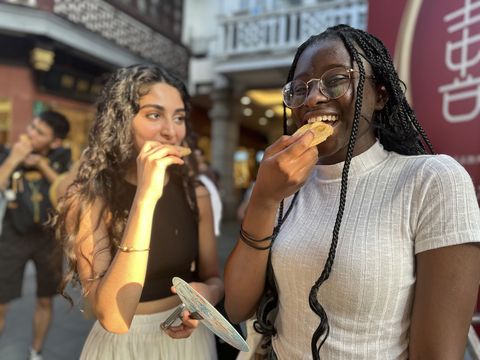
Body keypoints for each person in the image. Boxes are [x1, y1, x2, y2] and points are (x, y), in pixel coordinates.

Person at [224, 24, 480, 360]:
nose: (313, 98)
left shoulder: (431, 181)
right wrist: (264, 197)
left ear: (381, 95)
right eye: (299, 89)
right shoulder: (286, 184)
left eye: (336, 80)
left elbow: (437, 353)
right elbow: (238, 306)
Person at [51, 64, 223, 359]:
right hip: (122, 347)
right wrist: (146, 196)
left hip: (190, 345)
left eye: (179, 117)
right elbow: (113, 317)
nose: (171, 131)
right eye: (154, 115)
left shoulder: (197, 194)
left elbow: (213, 277)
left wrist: (207, 297)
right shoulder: (90, 198)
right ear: (122, 121)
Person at [0, 110, 71, 360]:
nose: (29, 133)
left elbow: (67, 193)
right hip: (13, 236)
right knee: (1, 301)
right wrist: (14, 158)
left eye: (39, 132)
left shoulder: (62, 157)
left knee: (45, 300)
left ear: (55, 142)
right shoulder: (9, 152)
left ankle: (36, 352)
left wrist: (41, 165)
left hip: (48, 239)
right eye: (32, 127)